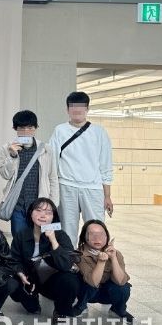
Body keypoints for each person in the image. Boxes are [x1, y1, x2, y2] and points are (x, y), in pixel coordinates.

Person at [49, 91, 113, 246]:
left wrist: (107, 196)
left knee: (96, 228)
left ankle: (96, 258)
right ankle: (69, 259)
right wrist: (52, 191)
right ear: (67, 109)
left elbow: (106, 164)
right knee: (67, 229)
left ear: (87, 109)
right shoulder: (60, 130)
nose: (77, 109)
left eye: (81, 106)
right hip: (66, 186)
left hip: (93, 188)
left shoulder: (99, 132)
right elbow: (52, 161)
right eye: (73, 106)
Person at [8, 197, 81, 325]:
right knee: (30, 306)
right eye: (38, 210)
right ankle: (33, 300)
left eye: (48, 212)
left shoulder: (61, 235)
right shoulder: (22, 234)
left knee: (70, 281)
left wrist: (53, 240)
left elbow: (66, 264)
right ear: (31, 213)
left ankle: (60, 311)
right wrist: (20, 274)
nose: (43, 215)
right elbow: (13, 259)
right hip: (28, 279)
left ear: (53, 217)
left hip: (51, 279)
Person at [0, 110, 59, 237]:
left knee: (40, 238)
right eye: (21, 128)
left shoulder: (46, 149)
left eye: (30, 128)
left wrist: (52, 204)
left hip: (40, 202)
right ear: (15, 128)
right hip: (17, 203)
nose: (26, 132)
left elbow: (52, 177)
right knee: (19, 238)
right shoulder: (7, 148)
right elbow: (5, 175)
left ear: (36, 128)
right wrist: (12, 155)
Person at [74, 220, 133, 323]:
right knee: (83, 283)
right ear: (84, 237)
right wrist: (101, 262)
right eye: (92, 234)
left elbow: (120, 281)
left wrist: (113, 258)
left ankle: (118, 309)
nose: (97, 238)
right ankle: (81, 306)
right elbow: (93, 282)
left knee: (124, 287)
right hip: (89, 293)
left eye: (101, 234)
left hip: (107, 293)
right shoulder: (79, 254)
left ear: (107, 237)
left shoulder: (115, 253)